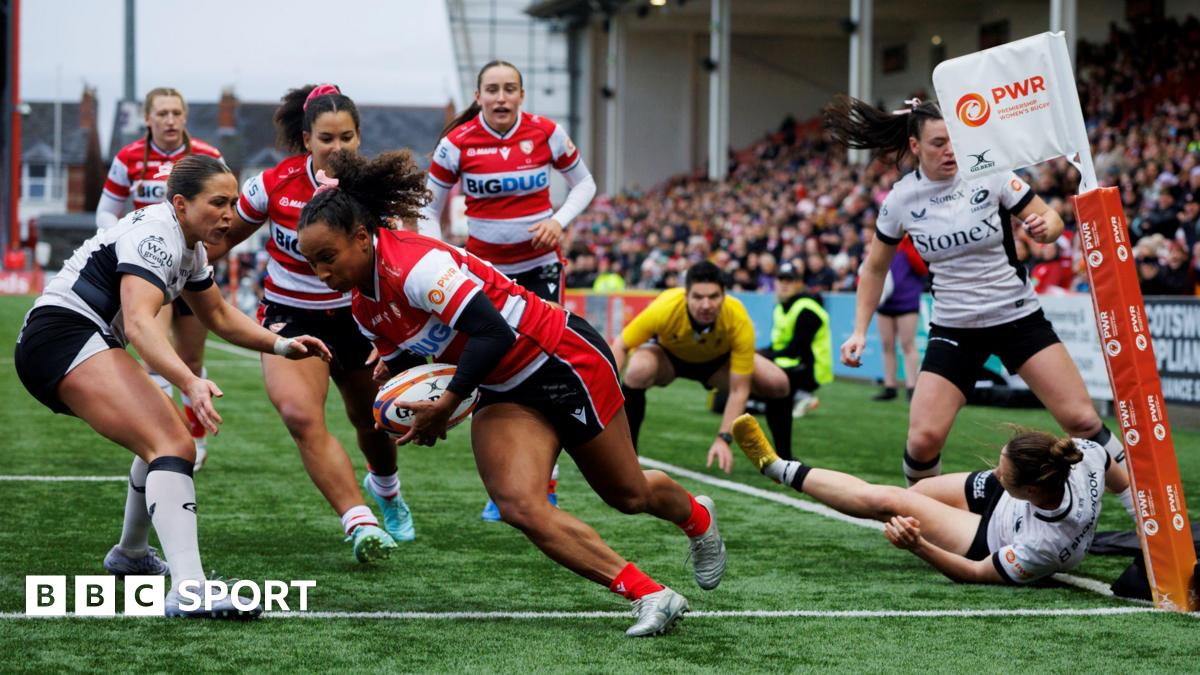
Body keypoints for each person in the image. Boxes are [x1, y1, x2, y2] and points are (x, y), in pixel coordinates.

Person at [296, 149, 726, 638]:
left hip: (560, 359)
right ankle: (651, 593)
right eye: (311, 262)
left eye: (327, 257)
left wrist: (447, 402)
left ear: (360, 237)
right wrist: (396, 383)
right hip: (501, 387)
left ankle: (696, 518)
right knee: (517, 503)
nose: (322, 273)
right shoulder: (363, 307)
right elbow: (419, 355)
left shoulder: (416, 266)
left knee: (627, 494)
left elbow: (493, 333)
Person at [14, 155, 331, 617]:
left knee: (161, 441)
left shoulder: (190, 245)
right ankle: (189, 588)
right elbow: (142, 326)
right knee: (173, 444)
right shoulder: (157, 236)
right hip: (62, 336)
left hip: (70, 338)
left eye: (233, 203)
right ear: (181, 203)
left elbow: (219, 316)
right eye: (218, 203)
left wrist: (282, 346)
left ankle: (131, 556)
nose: (230, 214)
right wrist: (190, 381)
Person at [826, 95, 1127, 485]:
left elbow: (1051, 219)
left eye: (955, 140)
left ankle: (1143, 514)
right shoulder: (901, 199)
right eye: (938, 143)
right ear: (915, 146)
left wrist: (1044, 229)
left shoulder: (991, 173)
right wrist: (860, 330)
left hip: (1017, 316)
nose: (950, 150)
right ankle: (930, 519)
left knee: (1082, 420)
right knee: (922, 441)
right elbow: (874, 269)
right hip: (954, 328)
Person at [207, 84, 411, 561]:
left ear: (359, 138)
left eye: (346, 138)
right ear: (306, 140)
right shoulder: (271, 185)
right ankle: (359, 523)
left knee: (373, 422)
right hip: (290, 316)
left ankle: (388, 491)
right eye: (326, 139)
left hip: (362, 318)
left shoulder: (374, 192)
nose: (336, 149)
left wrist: (395, 334)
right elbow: (218, 241)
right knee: (301, 415)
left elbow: (400, 264)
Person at [420, 60, 597, 520]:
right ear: (478, 96)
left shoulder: (546, 133)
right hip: (485, 275)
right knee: (492, 370)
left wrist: (559, 221)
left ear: (521, 95)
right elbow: (427, 208)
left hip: (540, 269)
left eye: (510, 89)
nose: (501, 98)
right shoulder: (455, 144)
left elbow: (586, 183)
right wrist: (439, 257)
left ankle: (547, 483)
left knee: (549, 369)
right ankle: (503, 484)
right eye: (492, 90)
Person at [733, 415, 1132, 585]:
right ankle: (882, 504)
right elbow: (1119, 480)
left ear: (1030, 490)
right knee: (917, 495)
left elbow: (974, 575)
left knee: (887, 501)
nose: (994, 472)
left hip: (990, 537)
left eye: (1002, 472)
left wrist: (918, 546)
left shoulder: (1041, 547)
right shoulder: (1082, 455)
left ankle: (776, 468)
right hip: (1011, 504)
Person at [97, 87, 224, 469]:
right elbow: (106, 211)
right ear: (148, 119)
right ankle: (170, 434)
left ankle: (197, 436)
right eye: (162, 113)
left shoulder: (208, 157)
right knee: (154, 356)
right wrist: (125, 238)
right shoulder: (128, 157)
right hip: (151, 266)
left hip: (191, 265)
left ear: (185, 118)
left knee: (191, 357)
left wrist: (209, 252)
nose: (170, 120)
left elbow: (224, 209)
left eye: (176, 113)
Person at [611, 261, 791, 473]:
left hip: (716, 365)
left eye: (713, 297)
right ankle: (628, 455)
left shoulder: (737, 317)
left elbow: (738, 390)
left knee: (778, 382)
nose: (706, 305)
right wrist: (608, 390)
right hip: (669, 359)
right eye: (697, 297)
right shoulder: (665, 307)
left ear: (724, 295)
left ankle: (784, 460)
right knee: (637, 369)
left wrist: (724, 437)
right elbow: (621, 345)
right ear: (685, 295)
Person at [760, 261, 832, 429]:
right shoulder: (781, 308)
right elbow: (778, 345)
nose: (784, 284)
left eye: (789, 280)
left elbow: (796, 350)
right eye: (781, 279)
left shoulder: (807, 308)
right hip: (790, 362)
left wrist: (766, 357)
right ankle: (793, 398)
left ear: (799, 284)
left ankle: (799, 395)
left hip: (808, 369)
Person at [872, 234, 926, 401]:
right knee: (887, 345)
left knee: (908, 344)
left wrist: (909, 245)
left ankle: (912, 387)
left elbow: (922, 269)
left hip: (907, 302)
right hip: (884, 302)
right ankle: (890, 386)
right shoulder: (881, 241)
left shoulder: (912, 242)